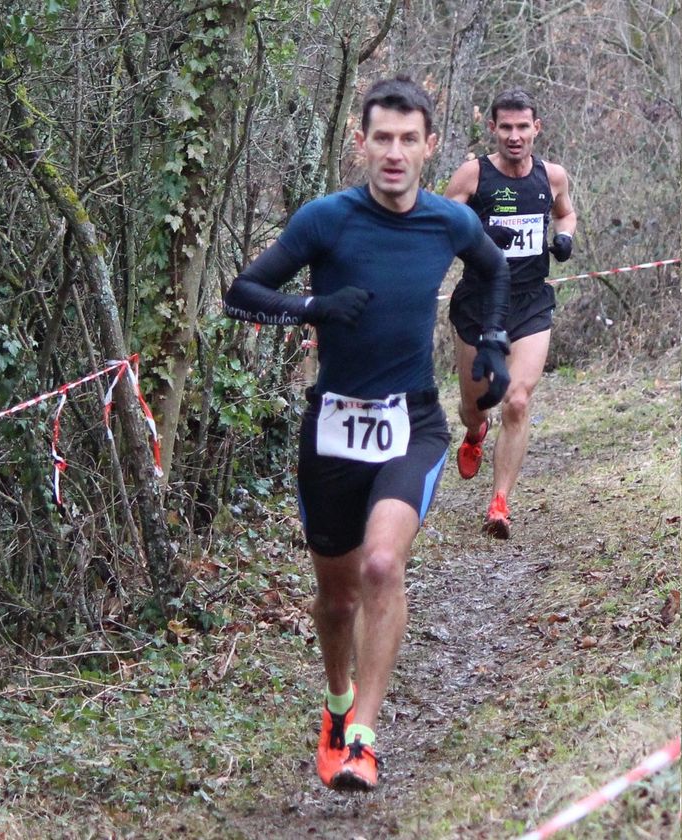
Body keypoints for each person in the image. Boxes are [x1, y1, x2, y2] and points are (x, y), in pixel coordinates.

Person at [222, 76, 512, 792]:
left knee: (383, 566)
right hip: (333, 426)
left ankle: (362, 740)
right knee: (338, 599)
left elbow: (494, 266)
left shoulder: (448, 220)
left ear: (430, 147)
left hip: (410, 422)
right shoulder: (326, 219)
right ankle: (335, 702)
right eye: (381, 137)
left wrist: (493, 340)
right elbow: (241, 294)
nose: (394, 152)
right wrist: (312, 306)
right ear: (360, 144)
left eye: (409, 139)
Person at [443, 87, 578, 539]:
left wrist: (565, 238)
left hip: (530, 301)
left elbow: (566, 215)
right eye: (506, 127)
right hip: (478, 304)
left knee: (517, 401)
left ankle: (499, 503)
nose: (515, 136)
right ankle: (476, 432)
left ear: (536, 128)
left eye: (523, 127)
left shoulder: (552, 176)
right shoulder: (472, 176)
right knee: (475, 407)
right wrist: (476, 239)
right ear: (493, 129)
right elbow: (440, 226)